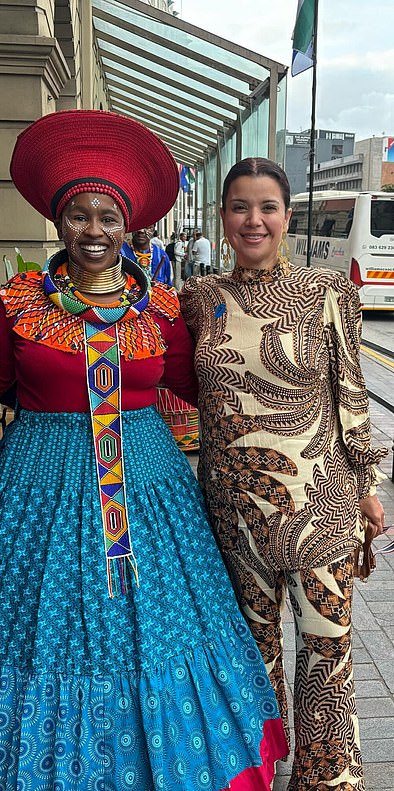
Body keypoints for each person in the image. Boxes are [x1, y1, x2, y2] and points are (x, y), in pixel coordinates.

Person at [0, 111, 288, 791]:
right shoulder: (16, 304)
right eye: (77, 215)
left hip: (151, 489)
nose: (93, 230)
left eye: (107, 216)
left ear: (127, 227)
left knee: (150, 625)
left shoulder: (161, 308)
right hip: (41, 489)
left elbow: (202, 383)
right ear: (59, 221)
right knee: (48, 627)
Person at [180, 157, 387, 791]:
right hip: (233, 509)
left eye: (267, 207)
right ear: (222, 217)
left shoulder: (329, 295)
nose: (253, 220)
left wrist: (369, 491)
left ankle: (327, 778)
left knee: (327, 647)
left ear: (286, 216)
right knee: (252, 650)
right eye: (240, 207)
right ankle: (262, 767)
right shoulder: (199, 300)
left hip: (318, 502)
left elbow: (351, 398)